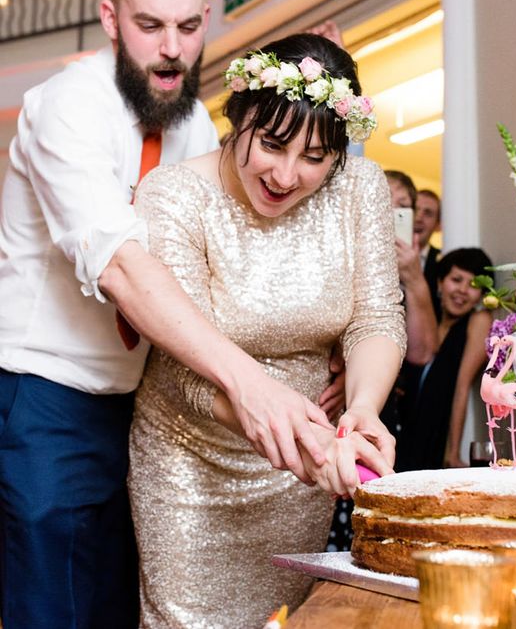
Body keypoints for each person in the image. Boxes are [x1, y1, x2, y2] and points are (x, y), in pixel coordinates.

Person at [0, 0, 334, 627]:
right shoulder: (68, 106)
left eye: (187, 27)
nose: (172, 50)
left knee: (118, 610)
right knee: (53, 611)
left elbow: (231, 257)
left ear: (207, 19)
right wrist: (249, 382)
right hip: (43, 401)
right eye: (150, 26)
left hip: (140, 410)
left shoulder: (191, 128)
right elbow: (122, 265)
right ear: (111, 19)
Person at [128, 33, 405, 625]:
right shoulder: (174, 196)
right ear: (239, 116)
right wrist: (304, 440)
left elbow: (376, 316)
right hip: (193, 463)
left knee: (288, 618)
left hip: (301, 470)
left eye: (314, 158)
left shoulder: (359, 188)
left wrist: (362, 410)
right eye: (273, 144)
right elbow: (186, 369)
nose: (286, 175)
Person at [396, 248, 493, 471]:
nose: (463, 291)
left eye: (474, 285)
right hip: (402, 426)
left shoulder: (477, 321)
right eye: (456, 280)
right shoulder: (425, 318)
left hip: (435, 433)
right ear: (440, 283)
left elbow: (462, 385)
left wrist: (453, 452)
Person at [415, 188, 442, 317]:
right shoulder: (381, 254)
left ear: (438, 225)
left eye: (428, 213)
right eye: (414, 209)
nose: (419, 217)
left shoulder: (443, 262)